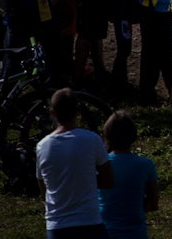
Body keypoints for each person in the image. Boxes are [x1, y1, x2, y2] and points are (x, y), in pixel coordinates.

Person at [36, 88, 114, 238]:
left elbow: (43, 189)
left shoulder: (42, 146)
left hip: (57, 226)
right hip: (90, 222)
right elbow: (108, 180)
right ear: (77, 112)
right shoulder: (92, 140)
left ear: (52, 113)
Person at [98, 111, 159, 239]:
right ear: (133, 136)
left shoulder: (100, 166)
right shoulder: (146, 165)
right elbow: (153, 204)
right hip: (136, 233)